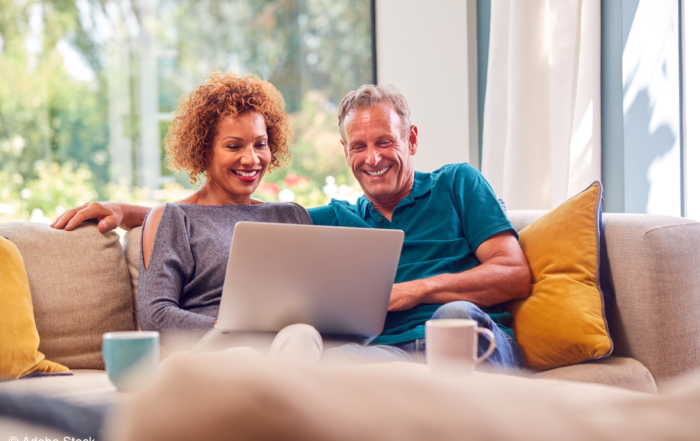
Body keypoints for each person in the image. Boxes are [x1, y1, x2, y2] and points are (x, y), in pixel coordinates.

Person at [52, 84, 531, 372]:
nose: (373, 157)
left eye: (385, 141)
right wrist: (132, 211)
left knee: (454, 320)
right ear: (345, 153)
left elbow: (514, 274)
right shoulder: (333, 219)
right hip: (387, 354)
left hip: (464, 330)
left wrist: (414, 291)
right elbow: (221, 214)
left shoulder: (458, 183)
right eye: (358, 146)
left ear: (411, 139)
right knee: (332, 365)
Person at [92, 71, 312, 340]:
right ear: (203, 150)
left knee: (310, 338)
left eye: (260, 144)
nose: (251, 159)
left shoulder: (290, 216)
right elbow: (157, 315)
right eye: (233, 146)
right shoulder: (175, 219)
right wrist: (231, 330)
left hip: (292, 342)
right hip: (217, 347)